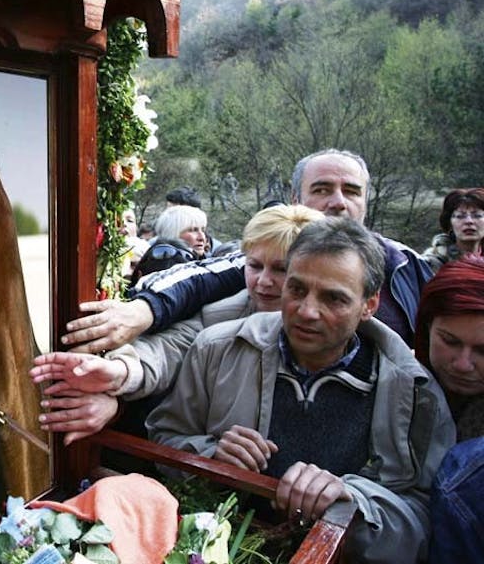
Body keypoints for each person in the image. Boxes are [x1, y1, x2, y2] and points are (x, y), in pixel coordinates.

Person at [147, 218, 454, 563]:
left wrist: (353, 502)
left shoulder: (414, 391)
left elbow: (428, 518)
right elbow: (164, 438)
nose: (307, 311)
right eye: (296, 289)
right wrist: (211, 456)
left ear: (369, 305)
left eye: (334, 298)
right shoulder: (217, 349)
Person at [61, 148, 434, 354]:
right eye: (322, 189)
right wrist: (142, 311)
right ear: (295, 199)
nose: (337, 202)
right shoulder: (266, 263)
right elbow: (199, 277)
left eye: (351, 191)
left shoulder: (408, 267)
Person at [31, 205, 324, 443]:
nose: (263, 281)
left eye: (281, 270)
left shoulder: (351, 336)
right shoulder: (220, 313)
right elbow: (169, 348)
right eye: (255, 266)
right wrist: (121, 373)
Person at [406, 256, 484, 561]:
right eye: (449, 341)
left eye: (483, 350)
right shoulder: (391, 381)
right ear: (426, 328)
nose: (463, 364)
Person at [422, 188, 484, 272]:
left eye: (477, 216)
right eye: (460, 216)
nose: (469, 221)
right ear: (449, 223)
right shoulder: (430, 264)